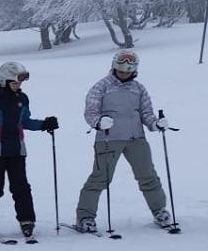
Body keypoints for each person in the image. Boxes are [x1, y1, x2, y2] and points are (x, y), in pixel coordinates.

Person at [74, 50, 173, 233]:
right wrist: (98, 122)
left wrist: (155, 123)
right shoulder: (101, 87)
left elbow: (146, 112)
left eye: (128, 71)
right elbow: (91, 111)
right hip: (109, 138)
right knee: (100, 178)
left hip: (136, 138)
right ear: (114, 68)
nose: (124, 74)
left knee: (148, 176)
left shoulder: (138, 88)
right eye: (121, 70)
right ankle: (85, 217)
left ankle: (159, 210)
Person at [0, 61, 57, 238]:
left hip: (17, 150)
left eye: (20, 83)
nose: (18, 86)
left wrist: (43, 124)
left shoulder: (22, 99)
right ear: (3, 81)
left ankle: (27, 220)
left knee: (21, 186)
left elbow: (24, 121)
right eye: (15, 83)